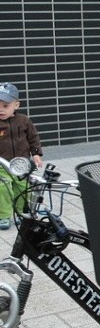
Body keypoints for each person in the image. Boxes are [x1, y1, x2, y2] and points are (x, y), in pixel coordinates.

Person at [0, 83, 44, 231]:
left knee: (24, 189)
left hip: (21, 164)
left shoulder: (24, 120)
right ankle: (4, 215)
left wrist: (36, 154)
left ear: (16, 105)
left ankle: (21, 212)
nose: (1, 109)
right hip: (2, 165)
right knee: (3, 189)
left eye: (5, 105)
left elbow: (33, 138)